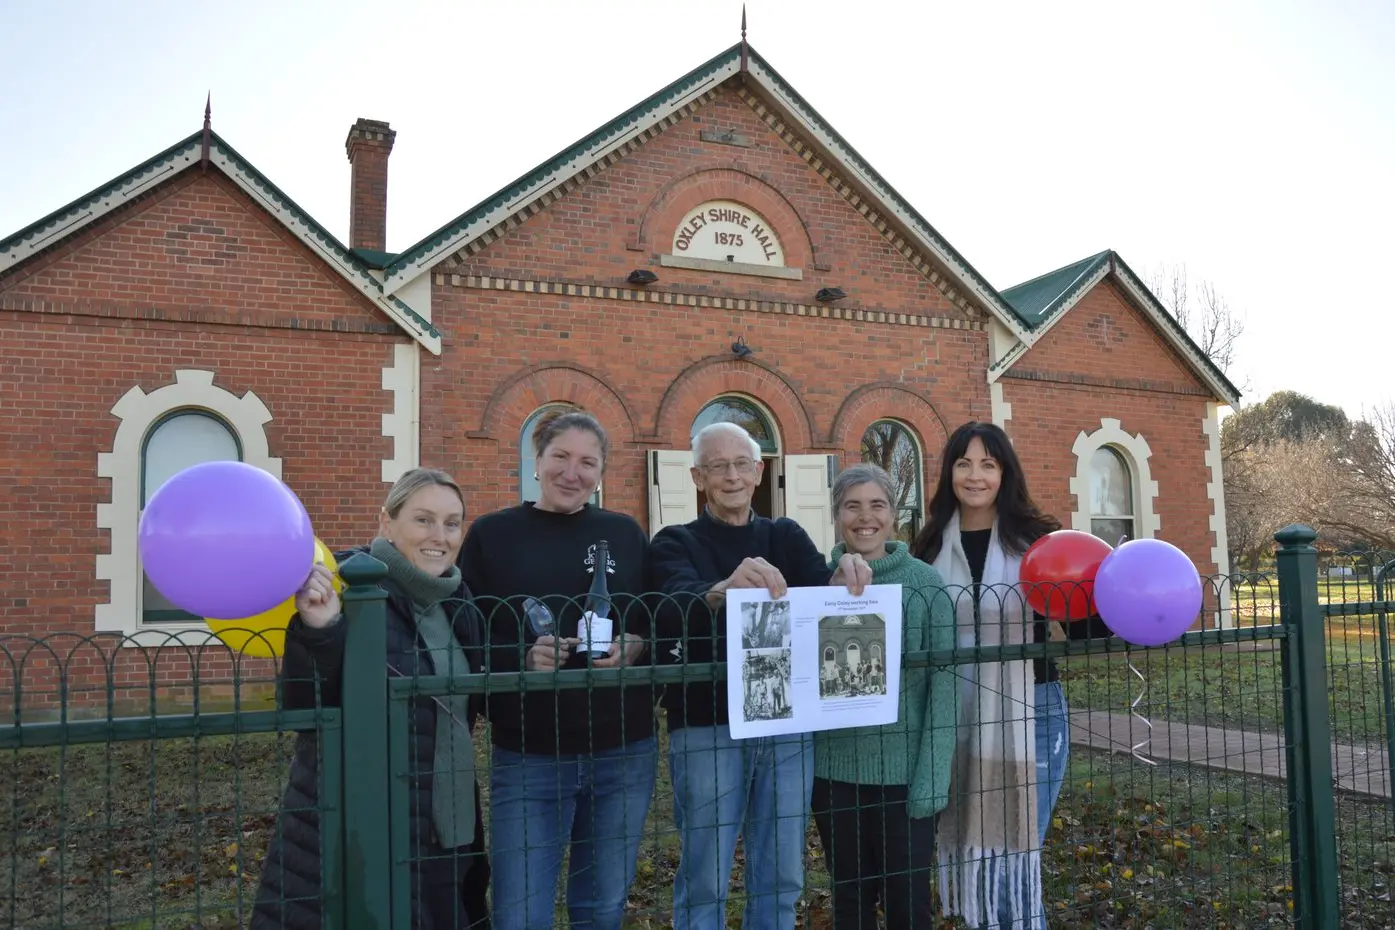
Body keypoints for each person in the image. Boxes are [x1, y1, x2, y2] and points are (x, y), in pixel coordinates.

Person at [651, 421, 873, 930]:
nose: (731, 476)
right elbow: (668, 605)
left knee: (781, 871)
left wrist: (844, 579)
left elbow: (822, 597)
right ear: (697, 477)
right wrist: (722, 588)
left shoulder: (785, 535)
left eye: (741, 465)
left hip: (786, 725)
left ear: (758, 472)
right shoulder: (674, 541)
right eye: (718, 466)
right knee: (706, 870)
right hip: (707, 725)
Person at [252, 468, 489, 930]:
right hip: (362, 825)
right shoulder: (348, 590)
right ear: (386, 522)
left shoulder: (460, 603)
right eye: (423, 520)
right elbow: (305, 709)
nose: (439, 536)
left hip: (448, 823)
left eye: (452, 523)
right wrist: (319, 631)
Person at [458, 409, 655, 930]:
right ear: (536, 458)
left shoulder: (625, 533)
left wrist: (637, 645)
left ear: (603, 470)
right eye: (561, 457)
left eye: (588, 462)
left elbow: (656, 618)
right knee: (521, 910)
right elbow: (467, 632)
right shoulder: (492, 534)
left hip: (624, 749)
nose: (574, 473)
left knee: (603, 906)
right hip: (530, 753)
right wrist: (520, 659)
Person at [911, 422, 1108, 929]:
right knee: (977, 865)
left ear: (1005, 473)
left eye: (988, 465)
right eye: (963, 463)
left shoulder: (1036, 540)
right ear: (949, 471)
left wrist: (1110, 593)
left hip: (1032, 716)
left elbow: (1086, 625)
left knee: (1011, 864)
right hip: (950, 722)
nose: (974, 476)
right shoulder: (928, 546)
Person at [811, 463, 959, 930]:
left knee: (908, 902)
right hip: (834, 774)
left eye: (877, 505)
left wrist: (932, 777)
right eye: (852, 506)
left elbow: (946, 684)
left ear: (894, 514)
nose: (865, 517)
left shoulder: (925, 585)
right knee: (850, 900)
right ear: (837, 515)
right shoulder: (815, 584)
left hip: (904, 777)